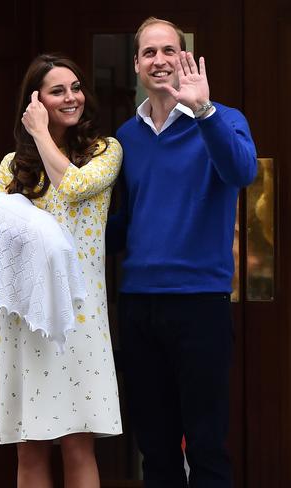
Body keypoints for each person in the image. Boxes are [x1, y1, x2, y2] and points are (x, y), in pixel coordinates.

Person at [0, 53, 122, 488]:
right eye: (57, 91)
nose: (71, 98)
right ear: (36, 100)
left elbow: (73, 186)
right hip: (24, 315)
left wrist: (39, 133)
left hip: (80, 316)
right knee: (29, 448)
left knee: (78, 443)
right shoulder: (12, 165)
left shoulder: (105, 151)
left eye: (75, 87)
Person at [106, 17, 257, 488]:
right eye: (149, 53)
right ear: (135, 64)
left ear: (184, 57)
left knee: (207, 447)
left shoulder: (224, 119)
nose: (160, 60)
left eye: (169, 51)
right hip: (138, 307)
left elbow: (241, 172)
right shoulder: (124, 138)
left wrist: (204, 111)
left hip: (199, 305)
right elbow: (116, 225)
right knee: (155, 449)